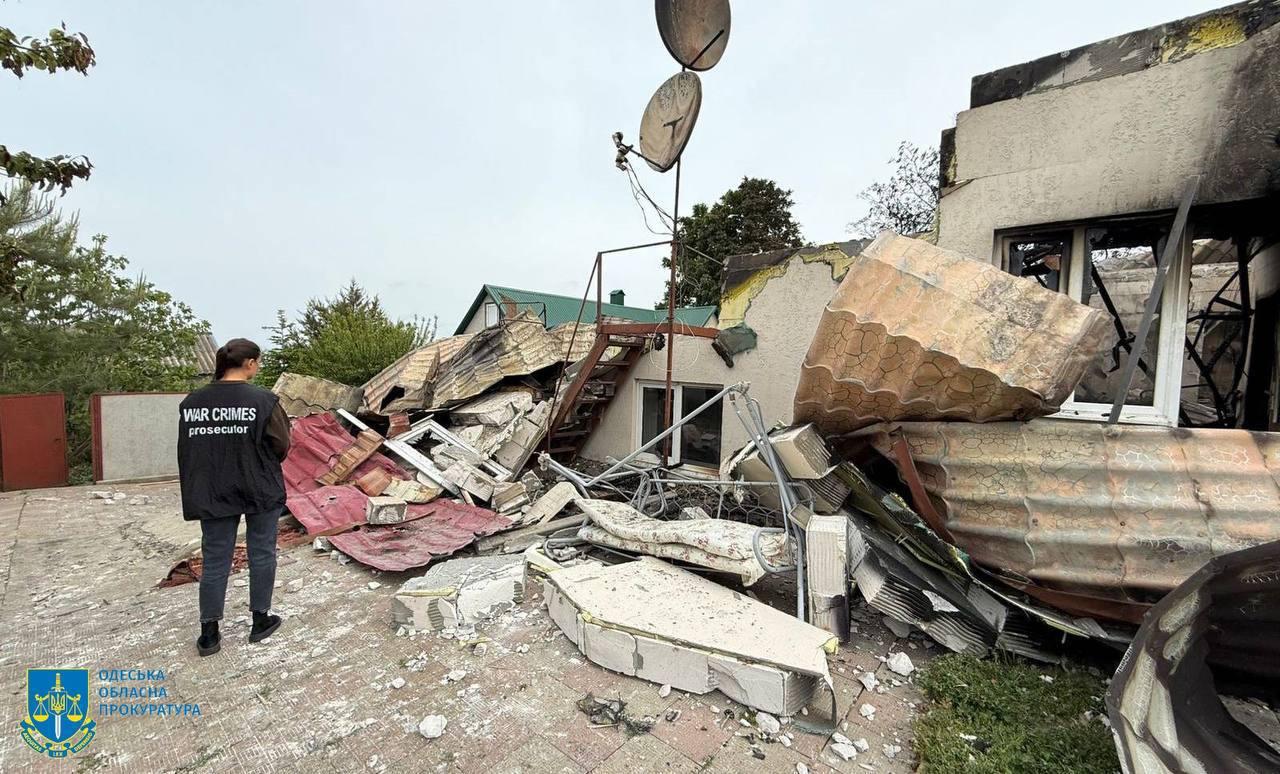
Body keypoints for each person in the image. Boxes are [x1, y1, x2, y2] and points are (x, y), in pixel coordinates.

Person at [177, 338, 292, 656]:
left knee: (215, 558)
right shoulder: (264, 401)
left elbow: (188, 450)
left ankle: (209, 634)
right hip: (259, 486)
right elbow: (282, 445)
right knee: (262, 552)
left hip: (213, 489)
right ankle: (260, 620)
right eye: (259, 362)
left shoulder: (192, 403)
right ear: (250, 364)